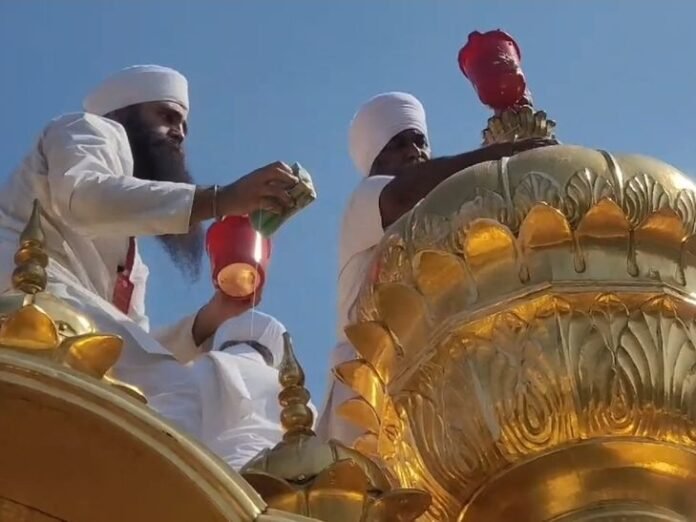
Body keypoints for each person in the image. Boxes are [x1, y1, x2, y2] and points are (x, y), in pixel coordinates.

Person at [0, 64, 298, 401]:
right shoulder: (87, 128)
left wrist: (213, 317)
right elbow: (84, 198)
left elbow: (135, 341)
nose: (179, 133)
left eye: (183, 125)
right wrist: (221, 199)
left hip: (71, 324)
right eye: (167, 117)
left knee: (169, 394)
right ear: (123, 115)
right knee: (180, 395)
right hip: (25, 296)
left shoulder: (133, 265)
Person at [316, 92, 556, 442]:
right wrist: (497, 158)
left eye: (419, 141)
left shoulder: (439, 221)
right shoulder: (367, 200)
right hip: (366, 387)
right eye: (398, 145)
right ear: (376, 162)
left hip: (426, 383)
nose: (414, 151)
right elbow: (402, 195)